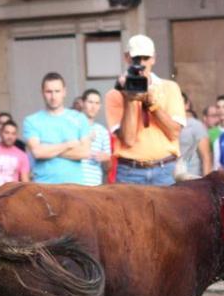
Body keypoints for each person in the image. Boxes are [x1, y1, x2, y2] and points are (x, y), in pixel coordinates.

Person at [105, 34, 186, 186]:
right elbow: (128, 140)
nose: (141, 64)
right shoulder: (115, 94)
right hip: (130, 171)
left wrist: (152, 106)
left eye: (145, 58)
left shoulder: (170, 88)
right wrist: (129, 99)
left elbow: (174, 133)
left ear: (153, 58)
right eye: (136, 59)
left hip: (165, 169)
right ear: (127, 58)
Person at [23, 72, 92, 185]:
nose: (53, 96)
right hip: (44, 187)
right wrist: (68, 145)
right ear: (42, 93)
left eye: (57, 91)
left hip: (75, 186)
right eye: (49, 92)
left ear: (64, 92)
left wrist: (48, 149)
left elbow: (85, 152)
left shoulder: (79, 118)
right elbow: (37, 152)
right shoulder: (31, 121)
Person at [0, 120, 31, 196]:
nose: (10, 136)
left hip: (10, 200)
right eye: (7, 133)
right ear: (1, 133)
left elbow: (25, 182)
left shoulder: (22, 155)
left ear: (16, 135)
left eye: (13, 134)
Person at [81, 89, 113, 185]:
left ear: (100, 106)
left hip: (94, 184)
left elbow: (108, 166)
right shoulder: (72, 126)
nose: (93, 106)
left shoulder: (103, 131)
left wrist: (106, 159)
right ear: (83, 103)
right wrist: (86, 140)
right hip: (74, 182)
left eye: (97, 103)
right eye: (90, 102)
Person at [179, 93, 211, 176]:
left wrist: (206, 182)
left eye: (179, 102)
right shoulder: (164, 125)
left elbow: (205, 157)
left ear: (187, 105)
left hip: (190, 176)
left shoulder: (196, 125)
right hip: (167, 177)